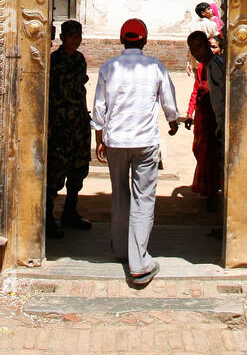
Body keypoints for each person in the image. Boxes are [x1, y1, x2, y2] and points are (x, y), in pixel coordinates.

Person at [92, 18, 180, 287]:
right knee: (143, 199)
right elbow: (168, 99)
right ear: (144, 40)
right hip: (144, 142)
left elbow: (99, 109)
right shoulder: (155, 66)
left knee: (119, 194)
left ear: (121, 40)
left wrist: (100, 140)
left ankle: (121, 249)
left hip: (116, 140)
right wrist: (173, 119)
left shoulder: (109, 67)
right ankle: (139, 262)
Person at [45, 20, 92, 238]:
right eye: (71, 35)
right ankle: (47, 217)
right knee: (55, 173)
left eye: (78, 35)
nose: (75, 39)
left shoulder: (79, 59)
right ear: (62, 37)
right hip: (60, 124)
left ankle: (70, 211)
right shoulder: (54, 61)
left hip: (79, 123)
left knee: (78, 170)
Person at [184, 30, 225, 207]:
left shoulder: (216, 66)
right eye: (192, 49)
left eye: (199, 47)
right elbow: (197, 89)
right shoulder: (206, 67)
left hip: (218, 120)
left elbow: (223, 96)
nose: (196, 52)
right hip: (209, 117)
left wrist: (222, 124)